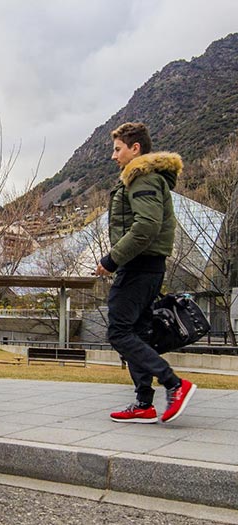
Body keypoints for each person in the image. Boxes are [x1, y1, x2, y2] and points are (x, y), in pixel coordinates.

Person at [93, 121, 195, 424]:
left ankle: (174, 384)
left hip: (139, 265)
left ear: (135, 148)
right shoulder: (144, 178)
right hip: (145, 265)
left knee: (118, 331)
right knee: (134, 331)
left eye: (117, 149)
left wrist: (112, 259)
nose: (113, 156)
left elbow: (146, 226)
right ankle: (143, 403)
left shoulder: (142, 177)